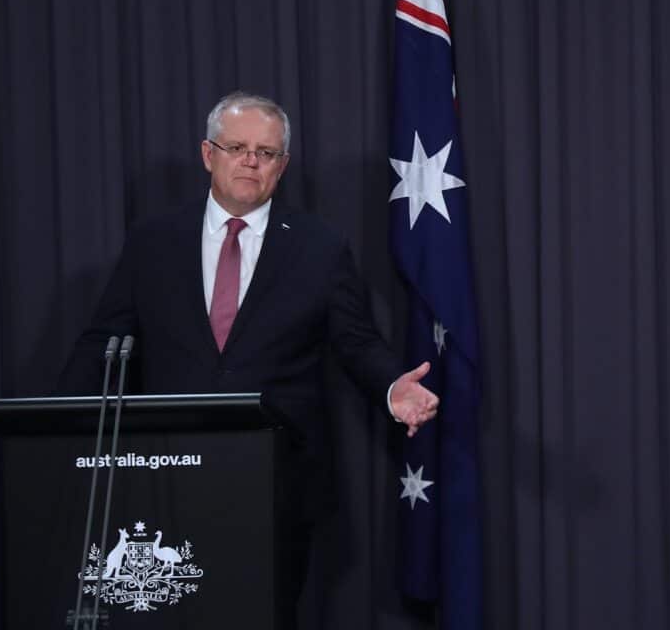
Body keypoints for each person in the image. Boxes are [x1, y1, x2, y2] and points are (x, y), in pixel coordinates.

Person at [58, 91, 438, 609]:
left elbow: (356, 339)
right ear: (208, 154)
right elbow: (106, 340)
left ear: (282, 166)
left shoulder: (318, 246)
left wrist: (392, 388)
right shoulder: (154, 241)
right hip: (168, 474)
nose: (251, 161)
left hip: (278, 482)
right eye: (237, 147)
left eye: (266, 152)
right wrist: (55, 427)